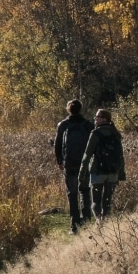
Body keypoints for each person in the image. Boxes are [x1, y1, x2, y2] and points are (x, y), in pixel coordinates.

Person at [54, 99, 94, 232]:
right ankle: (87, 222)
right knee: (85, 191)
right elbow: (93, 144)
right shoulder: (88, 125)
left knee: (72, 193)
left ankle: (74, 225)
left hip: (69, 164)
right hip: (84, 163)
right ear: (80, 109)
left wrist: (59, 161)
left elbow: (57, 145)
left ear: (68, 109)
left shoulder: (63, 125)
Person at [79, 108, 125, 220]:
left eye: (97, 117)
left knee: (96, 201)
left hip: (97, 171)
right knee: (107, 201)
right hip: (113, 171)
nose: (95, 119)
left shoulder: (95, 133)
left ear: (104, 119)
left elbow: (87, 155)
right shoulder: (116, 133)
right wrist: (121, 172)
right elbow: (120, 155)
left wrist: (82, 172)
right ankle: (106, 223)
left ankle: (99, 222)